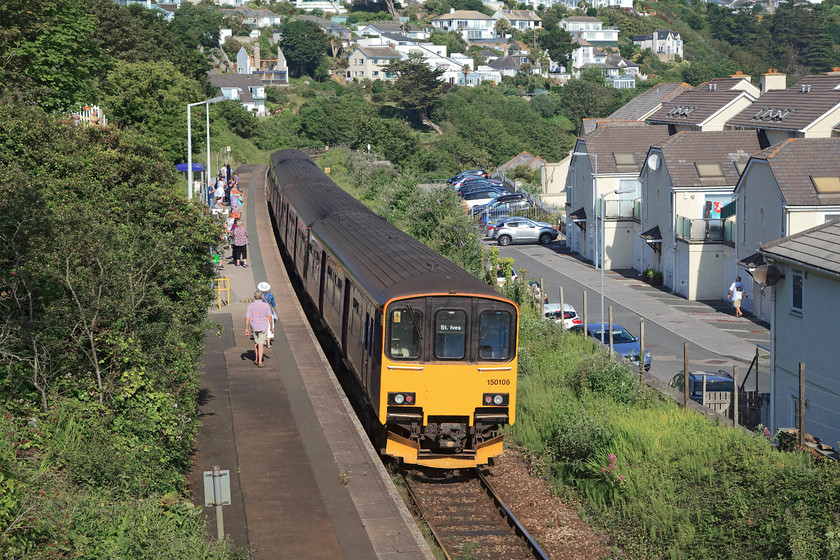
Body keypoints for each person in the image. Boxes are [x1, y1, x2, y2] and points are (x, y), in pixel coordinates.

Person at [245, 291, 273, 367]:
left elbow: (247, 317)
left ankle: (256, 359)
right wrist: (271, 326)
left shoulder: (250, 306)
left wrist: (246, 329)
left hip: (254, 327)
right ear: (261, 297)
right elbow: (270, 317)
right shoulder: (266, 305)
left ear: (254, 297)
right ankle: (260, 361)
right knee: (261, 344)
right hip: (263, 327)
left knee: (256, 343)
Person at [258, 281, 277, 348]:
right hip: (270, 313)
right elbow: (273, 304)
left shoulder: (260, 296)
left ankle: (262, 341)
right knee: (270, 327)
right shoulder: (271, 295)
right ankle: (268, 343)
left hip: (262, 314)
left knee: (263, 327)